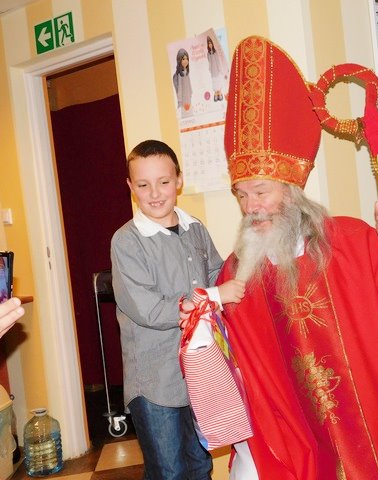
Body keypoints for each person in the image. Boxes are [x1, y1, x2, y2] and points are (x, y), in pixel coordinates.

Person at [215, 35, 378, 480]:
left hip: (368, 424)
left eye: (261, 192)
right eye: (242, 195)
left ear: (292, 191)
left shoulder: (352, 240)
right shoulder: (237, 272)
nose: (251, 207)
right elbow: (239, 368)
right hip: (293, 435)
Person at [110, 139, 245, 480]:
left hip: (200, 373)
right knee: (168, 471)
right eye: (143, 185)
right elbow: (149, 309)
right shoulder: (126, 241)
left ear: (179, 181)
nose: (155, 193)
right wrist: (214, 296)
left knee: (199, 464)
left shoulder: (195, 228)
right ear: (130, 187)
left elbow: (216, 272)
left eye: (164, 182)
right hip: (155, 382)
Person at [172, 48, 192, 116]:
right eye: (183, 59)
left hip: (188, 96)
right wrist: (180, 100)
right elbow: (179, 87)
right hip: (183, 97)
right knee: (185, 112)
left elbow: (189, 83)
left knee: (189, 110)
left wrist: (191, 92)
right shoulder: (180, 75)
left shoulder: (187, 72)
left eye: (187, 59)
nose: (186, 61)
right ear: (179, 60)